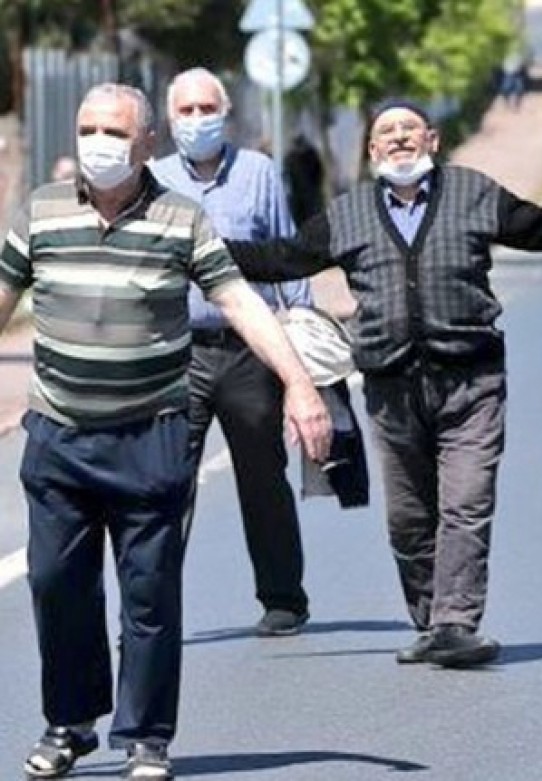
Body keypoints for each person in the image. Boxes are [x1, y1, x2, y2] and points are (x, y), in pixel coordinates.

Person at [223, 97, 542, 669]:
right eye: (386, 131)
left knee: (465, 504)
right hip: (391, 389)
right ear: (371, 150)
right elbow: (282, 259)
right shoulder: (348, 213)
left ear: (433, 140)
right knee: (409, 518)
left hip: (471, 380)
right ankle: (429, 620)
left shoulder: (473, 193)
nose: (398, 138)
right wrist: (200, 248)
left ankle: (456, 622)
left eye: (409, 129)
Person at [0, 83, 329, 781]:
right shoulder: (41, 210)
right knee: (58, 584)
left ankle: (146, 734)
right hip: (59, 435)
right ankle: (69, 721)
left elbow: (240, 301)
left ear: (147, 142)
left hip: (149, 435)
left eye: (115, 131)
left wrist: (299, 383)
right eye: (88, 126)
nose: (98, 141)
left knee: (149, 592)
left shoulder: (183, 219)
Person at [150, 67, 315, 637]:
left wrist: (304, 344)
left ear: (226, 112)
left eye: (206, 109)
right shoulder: (152, 177)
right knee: (164, 483)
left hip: (248, 352)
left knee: (263, 478)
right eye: (186, 111)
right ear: (170, 120)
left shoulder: (258, 172)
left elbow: (286, 252)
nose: (197, 120)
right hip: (178, 355)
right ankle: (151, 608)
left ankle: (283, 598)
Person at [283, 132, 325, 225]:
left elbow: (286, 177)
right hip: (310, 195)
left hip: (298, 198)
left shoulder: (289, 158)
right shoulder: (312, 154)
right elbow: (319, 173)